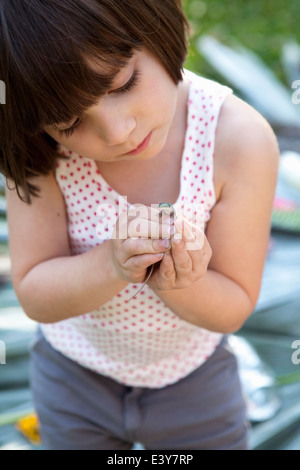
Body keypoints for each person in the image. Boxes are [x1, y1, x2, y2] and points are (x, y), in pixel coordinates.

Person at [1, 0, 279, 450]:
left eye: (123, 83)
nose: (116, 131)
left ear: (160, 26)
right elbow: (34, 291)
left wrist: (179, 281)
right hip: (73, 377)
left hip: (194, 380)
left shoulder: (237, 139)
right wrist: (113, 264)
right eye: (71, 123)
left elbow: (234, 303)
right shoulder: (39, 151)